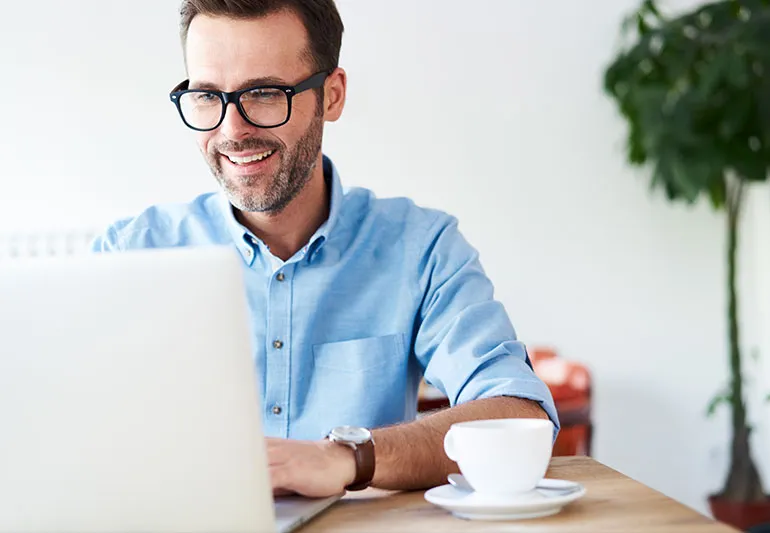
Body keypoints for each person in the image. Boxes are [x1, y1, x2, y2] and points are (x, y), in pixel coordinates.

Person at [92, 0, 559, 498]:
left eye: (265, 93)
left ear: (331, 96)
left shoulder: (421, 249)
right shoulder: (132, 253)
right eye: (207, 96)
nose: (231, 131)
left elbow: (519, 414)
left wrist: (347, 457)